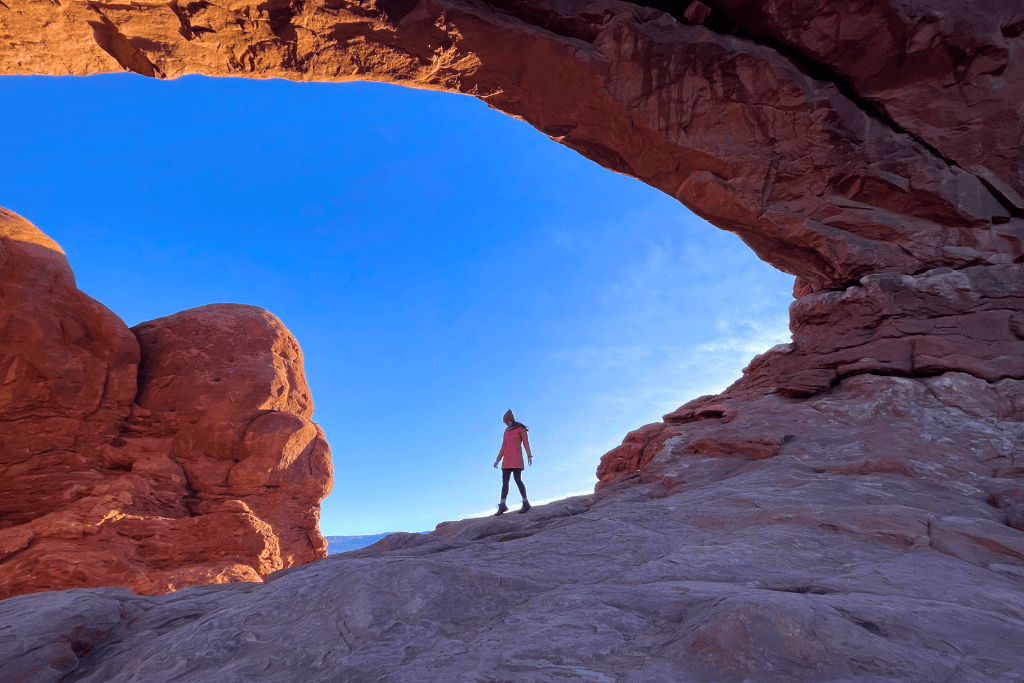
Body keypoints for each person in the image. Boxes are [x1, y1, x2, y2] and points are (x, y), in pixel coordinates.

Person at [492, 409, 533, 515]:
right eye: (504, 422)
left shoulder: (520, 429)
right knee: (505, 483)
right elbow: (503, 446)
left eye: (506, 422)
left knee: (518, 480)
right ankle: (502, 505)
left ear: (510, 420)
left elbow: (526, 443)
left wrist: (529, 455)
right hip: (506, 461)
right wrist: (497, 460)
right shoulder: (506, 431)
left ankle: (525, 503)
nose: (505, 424)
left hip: (516, 460)